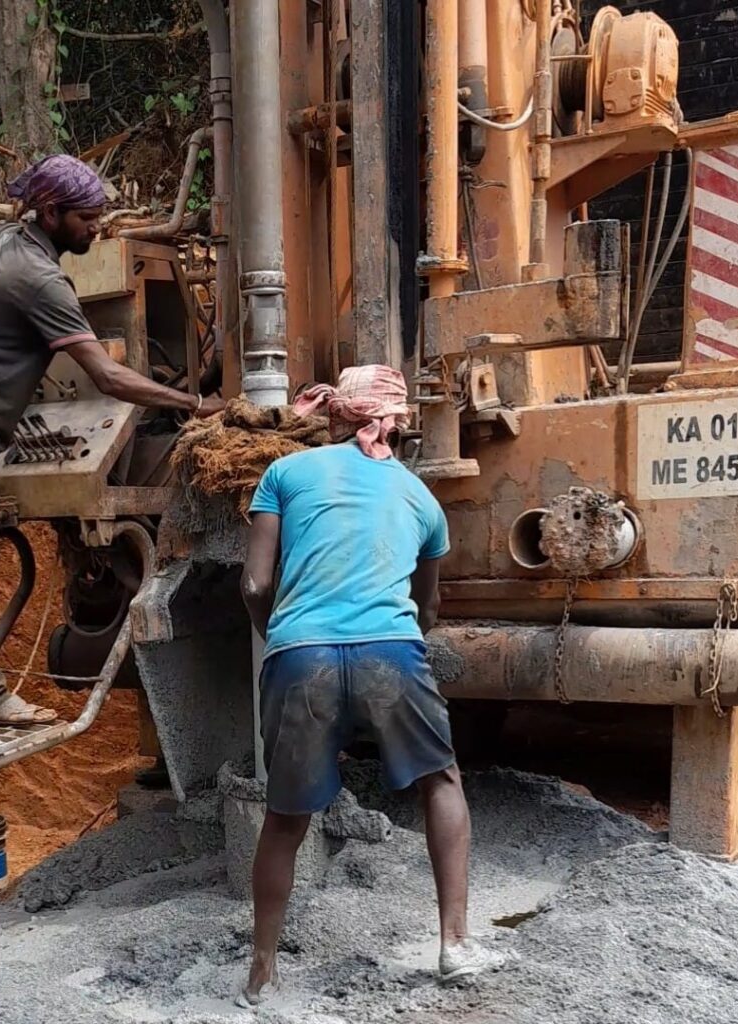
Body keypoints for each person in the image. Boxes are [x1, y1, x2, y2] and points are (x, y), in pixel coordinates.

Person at [0, 154, 223, 726]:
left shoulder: (3, 241)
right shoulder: (43, 280)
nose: (97, 227)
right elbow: (108, 377)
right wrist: (194, 402)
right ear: (51, 212)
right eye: (88, 218)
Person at [238, 365, 504, 1004]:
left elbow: (252, 583)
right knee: (441, 781)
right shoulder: (421, 499)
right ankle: (455, 944)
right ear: (398, 422)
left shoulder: (286, 474)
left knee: (285, 817)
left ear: (335, 416)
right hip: (392, 653)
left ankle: (262, 971)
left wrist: (278, 634)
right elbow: (429, 605)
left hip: (302, 657)